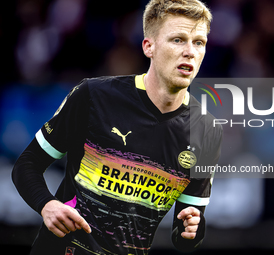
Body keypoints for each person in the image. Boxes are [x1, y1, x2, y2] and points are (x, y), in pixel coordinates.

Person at [12, 0, 222, 254]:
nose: (190, 51)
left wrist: (192, 230)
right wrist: (47, 205)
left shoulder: (208, 131)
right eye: (178, 40)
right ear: (149, 46)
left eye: (199, 42)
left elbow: (186, 233)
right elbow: (27, 165)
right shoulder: (93, 95)